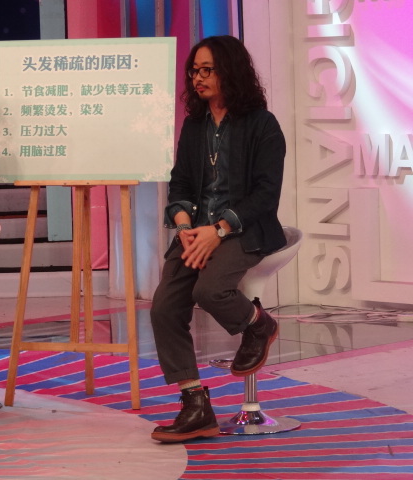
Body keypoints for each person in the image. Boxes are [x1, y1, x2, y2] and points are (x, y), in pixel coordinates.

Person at [149, 35, 286, 443]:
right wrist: (183, 227)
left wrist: (219, 230)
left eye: (207, 70)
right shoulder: (195, 126)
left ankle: (258, 324)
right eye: (194, 71)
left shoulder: (262, 125)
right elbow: (180, 184)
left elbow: (265, 194)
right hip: (196, 231)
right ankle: (196, 405)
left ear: (230, 70)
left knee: (210, 290)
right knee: (164, 308)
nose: (198, 78)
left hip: (243, 229)